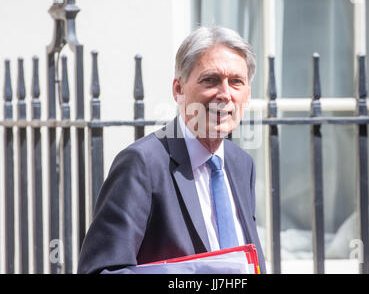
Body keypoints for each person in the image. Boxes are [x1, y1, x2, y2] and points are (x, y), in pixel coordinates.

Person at [77, 26, 266, 274]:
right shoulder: (142, 164)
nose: (225, 94)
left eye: (236, 82)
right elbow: (99, 271)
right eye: (210, 80)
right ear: (178, 89)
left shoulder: (241, 164)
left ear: (247, 94)